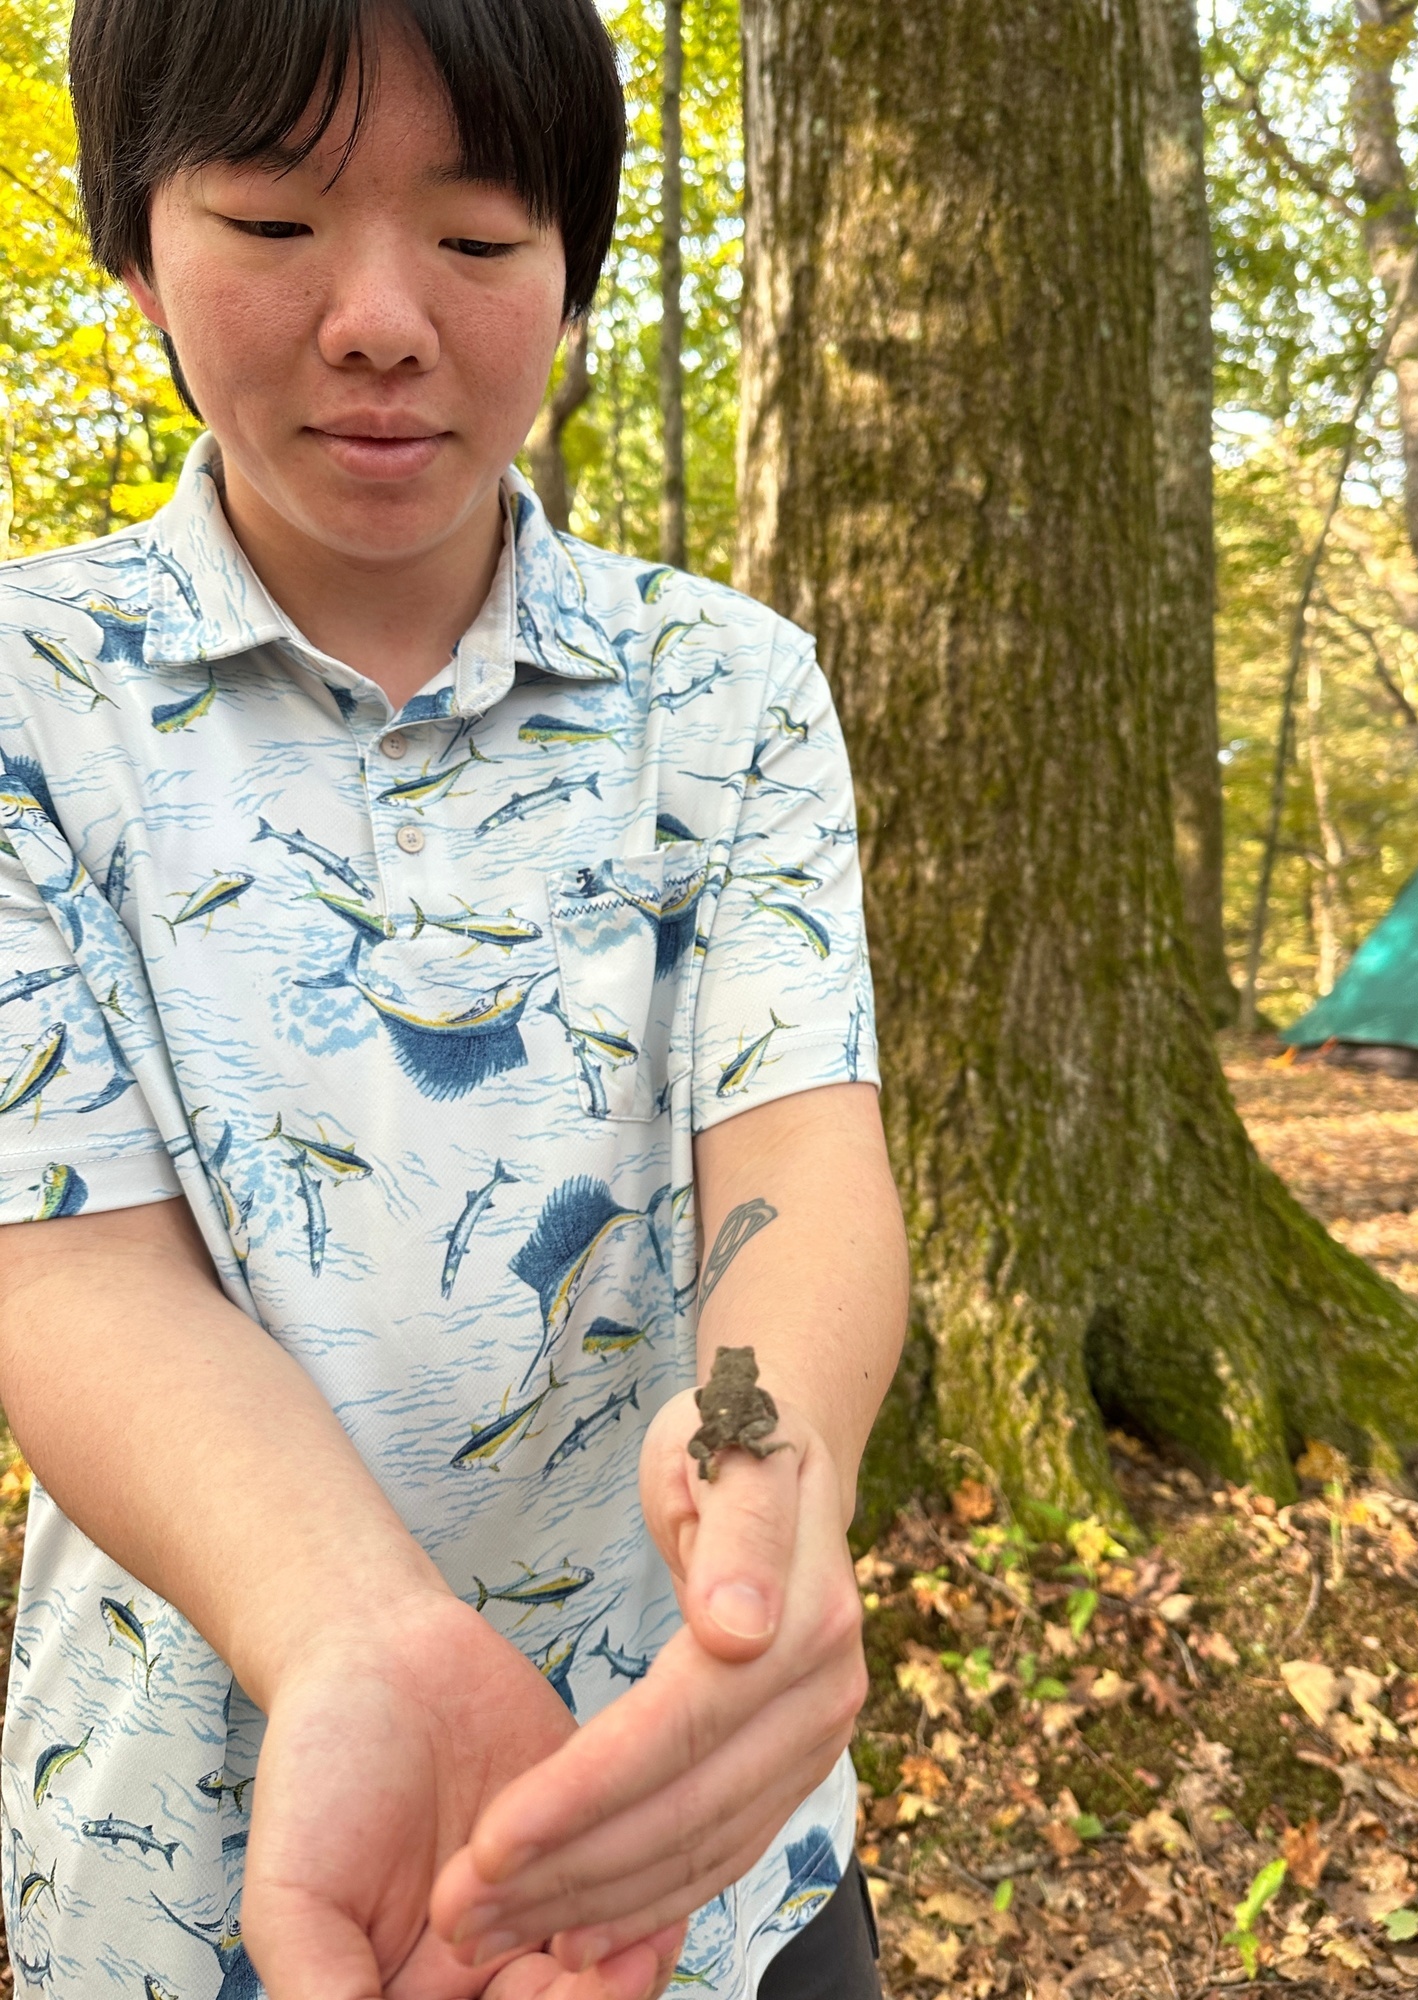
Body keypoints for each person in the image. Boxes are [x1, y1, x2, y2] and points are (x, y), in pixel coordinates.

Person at [0, 0, 908, 1994]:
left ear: (573, 271)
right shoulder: (28, 700)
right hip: (190, 1870)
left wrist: (767, 1479)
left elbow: (798, 1148)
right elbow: (63, 1262)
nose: (382, 318)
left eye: (480, 242)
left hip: (699, 1839)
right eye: (272, 220)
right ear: (134, 243)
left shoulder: (728, 690)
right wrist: (349, 1626)